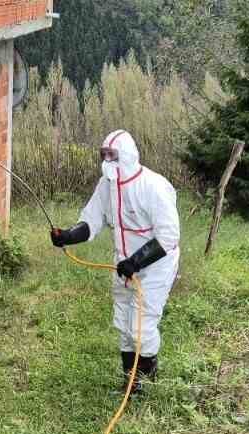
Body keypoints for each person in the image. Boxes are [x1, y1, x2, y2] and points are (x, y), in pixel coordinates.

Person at [50, 130, 181, 390]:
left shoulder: (153, 186)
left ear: (128, 155)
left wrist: (137, 261)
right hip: (123, 264)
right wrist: (67, 236)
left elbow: (169, 236)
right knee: (124, 324)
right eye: (104, 155)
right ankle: (129, 382)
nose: (107, 160)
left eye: (112, 155)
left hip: (155, 266)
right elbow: (92, 219)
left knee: (141, 326)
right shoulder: (106, 185)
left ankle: (145, 383)